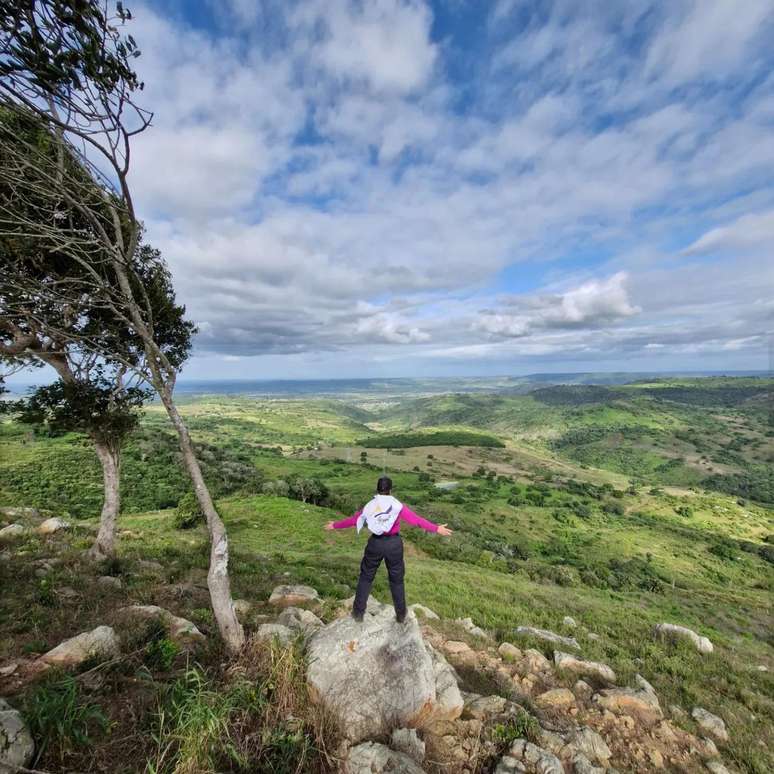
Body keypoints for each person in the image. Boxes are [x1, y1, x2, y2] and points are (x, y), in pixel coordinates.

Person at [325, 475, 453, 622]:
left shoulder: (370, 505)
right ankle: (400, 615)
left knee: (366, 577)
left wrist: (334, 525)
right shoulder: (397, 506)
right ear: (390, 490)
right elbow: (416, 520)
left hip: (375, 544)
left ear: (377, 489)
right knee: (397, 580)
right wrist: (436, 529)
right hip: (394, 545)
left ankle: (358, 613)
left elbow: (354, 520)